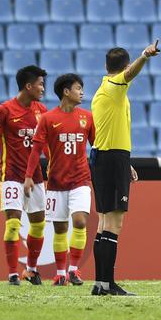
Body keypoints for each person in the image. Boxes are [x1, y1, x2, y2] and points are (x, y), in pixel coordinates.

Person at [89, 42, 156, 296]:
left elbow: (108, 130)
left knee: (104, 222)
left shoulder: (102, 92)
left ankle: (100, 284)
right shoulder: (115, 87)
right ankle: (108, 284)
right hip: (112, 159)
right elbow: (130, 74)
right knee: (114, 223)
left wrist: (126, 162)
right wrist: (145, 56)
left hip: (105, 156)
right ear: (124, 67)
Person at [23, 73, 94, 286]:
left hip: (80, 180)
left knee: (80, 221)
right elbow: (36, 150)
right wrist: (28, 177)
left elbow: (97, 147)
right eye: (78, 88)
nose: (82, 92)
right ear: (66, 91)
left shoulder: (87, 117)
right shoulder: (48, 119)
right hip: (56, 183)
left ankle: (74, 270)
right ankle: (61, 273)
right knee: (60, 229)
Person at [0, 64, 48, 285]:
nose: (43, 88)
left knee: (39, 224)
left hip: (36, 176)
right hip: (11, 174)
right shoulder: (3, 111)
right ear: (28, 86)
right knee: (12, 223)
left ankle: (30, 269)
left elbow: (46, 145)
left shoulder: (42, 111)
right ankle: (12, 274)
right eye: (40, 84)